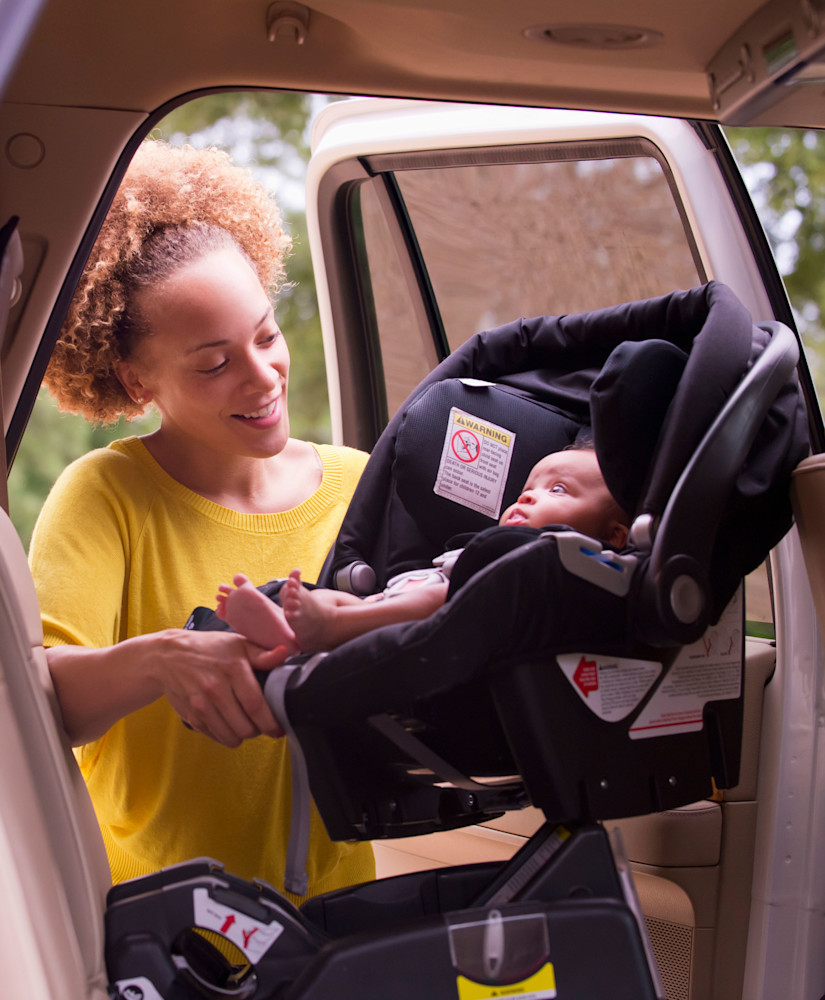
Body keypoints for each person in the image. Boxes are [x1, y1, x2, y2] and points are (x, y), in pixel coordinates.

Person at [28, 140, 375, 902]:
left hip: (342, 916)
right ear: (136, 379)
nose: (261, 377)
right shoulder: (107, 495)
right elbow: (39, 699)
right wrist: (161, 659)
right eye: (213, 364)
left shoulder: (358, 481)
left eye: (266, 335)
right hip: (163, 931)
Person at [214, 446, 631, 654]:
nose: (526, 498)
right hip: (413, 588)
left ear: (614, 535)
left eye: (558, 490)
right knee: (335, 595)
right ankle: (286, 627)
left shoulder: (587, 564)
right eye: (526, 489)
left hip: (449, 604)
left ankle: (328, 628)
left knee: (436, 598)